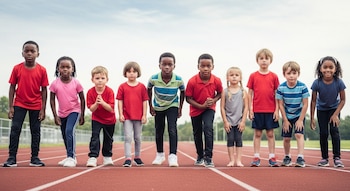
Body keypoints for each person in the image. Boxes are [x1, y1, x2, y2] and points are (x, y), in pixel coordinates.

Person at [3, 40, 49, 167]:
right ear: (22, 53)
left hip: (36, 104)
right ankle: (12, 158)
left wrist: (43, 109)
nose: (29, 53)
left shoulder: (42, 70)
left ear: (37, 54)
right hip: (19, 103)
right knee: (15, 129)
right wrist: (11, 106)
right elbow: (12, 87)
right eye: (26, 51)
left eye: (32, 51)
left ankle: (35, 158)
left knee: (35, 131)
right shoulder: (17, 68)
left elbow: (44, 90)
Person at [185, 53, 223, 167]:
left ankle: (208, 157)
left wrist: (214, 100)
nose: (205, 68)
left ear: (213, 67)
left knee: (208, 128)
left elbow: (220, 93)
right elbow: (188, 98)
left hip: (209, 108)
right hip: (196, 109)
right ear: (198, 67)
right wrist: (201, 106)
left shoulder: (216, 80)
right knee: (197, 133)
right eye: (203, 66)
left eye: (208, 66)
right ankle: (200, 156)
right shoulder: (192, 81)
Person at [148, 52, 185, 167]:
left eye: (170, 64)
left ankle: (173, 156)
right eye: (164, 64)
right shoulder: (153, 78)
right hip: (158, 106)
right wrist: (150, 106)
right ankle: (160, 155)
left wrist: (180, 107)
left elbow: (183, 92)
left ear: (174, 66)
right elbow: (148, 90)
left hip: (172, 105)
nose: (167, 67)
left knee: (172, 129)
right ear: (159, 65)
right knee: (159, 130)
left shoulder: (178, 79)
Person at [310, 56, 346, 168]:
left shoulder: (339, 82)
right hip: (322, 110)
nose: (328, 70)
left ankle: (337, 158)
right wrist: (311, 119)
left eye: (331, 67)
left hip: (334, 109)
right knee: (323, 133)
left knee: (334, 132)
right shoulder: (317, 83)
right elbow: (313, 101)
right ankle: (324, 158)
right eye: (325, 67)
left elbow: (343, 100)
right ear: (320, 69)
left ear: (335, 69)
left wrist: (335, 114)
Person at [50, 56, 85, 167]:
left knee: (69, 131)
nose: (65, 69)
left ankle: (71, 157)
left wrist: (82, 115)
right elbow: (51, 100)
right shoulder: (55, 84)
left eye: (68, 67)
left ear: (72, 69)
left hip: (74, 111)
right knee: (65, 134)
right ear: (58, 69)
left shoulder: (76, 83)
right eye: (62, 67)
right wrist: (55, 115)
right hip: (61, 113)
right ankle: (69, 156)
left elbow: (82, 99)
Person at [247, 48, 280, 167]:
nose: (264, 61)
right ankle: (256, 157)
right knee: (257, 134)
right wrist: (250, 109)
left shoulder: (274, 76)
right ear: (257, 61)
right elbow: (249, 93)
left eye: (266, 58)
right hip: (257, 110)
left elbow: (278, 94)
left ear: (270, 61)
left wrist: (277, 110)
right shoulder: (253, 76)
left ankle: (272, 157)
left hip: (270, 110)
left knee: (270, 134)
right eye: (261, 58)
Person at [276, 61, 309, 168]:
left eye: (294, 73)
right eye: (289, 73)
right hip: (287, 115)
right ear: (284, 74)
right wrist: (285, 120)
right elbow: (280, 104)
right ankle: (287, 157)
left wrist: (300, 120)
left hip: (299, 115)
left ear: (298, 74)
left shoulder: (302, 87)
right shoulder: (281, 88)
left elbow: (305, 104)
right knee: (286, 138)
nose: (291, 76)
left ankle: (300, 157)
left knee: (299, 134)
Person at [117, 62, 148, 167]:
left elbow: (144, 101)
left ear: (137, 73)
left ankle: (137, 157)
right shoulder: (122, 87)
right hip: (127, 117)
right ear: (125, 73)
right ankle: (128, 158)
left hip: (138, 117)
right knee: (128, 137)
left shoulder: (142, 87)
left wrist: (144, 115)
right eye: (129, 72)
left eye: (134, 71)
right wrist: (121, 114)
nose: (131, 74)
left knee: (138, 137)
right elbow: (120, 101)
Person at [86, 66, 116, 167]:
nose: (100, 81)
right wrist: (96, 103)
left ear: (107, 80)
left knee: (108, 138)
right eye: (97, 78)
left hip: (109, 120)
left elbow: (110, 108)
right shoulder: (90, 92)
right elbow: (91, 109)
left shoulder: (110, 91)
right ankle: (93, 157)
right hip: (97, 119)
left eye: (102, 78)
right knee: (95, 137)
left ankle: (107, 157)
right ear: (92, 80)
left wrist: (102, 102)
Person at [220, 67, 248, 167]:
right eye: (232, 75)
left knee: (238, 139)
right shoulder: (225, 91)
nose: (234, 77)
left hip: (239, 120)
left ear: (240, 78)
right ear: (227, 78)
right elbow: (222, 108)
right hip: (229, 121)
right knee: (230, 139)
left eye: (236, 75)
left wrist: (243, 121)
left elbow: (246, 108)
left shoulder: (243, 92)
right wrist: (225, 121)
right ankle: (231, 160)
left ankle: (238, 160)